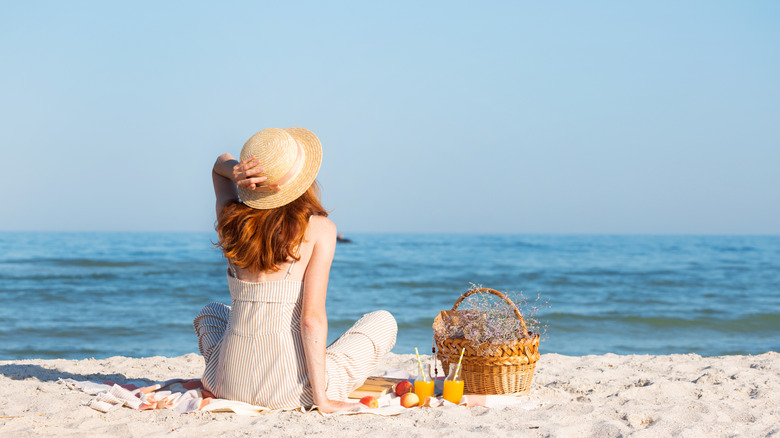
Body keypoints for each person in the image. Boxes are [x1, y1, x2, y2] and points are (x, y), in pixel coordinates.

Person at [193, 127, 397, 413]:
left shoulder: (231, 220)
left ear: (247, 180)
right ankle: (316, 382)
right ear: (303, 178)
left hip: (226, 384)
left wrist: (235, 170)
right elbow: (311, 320)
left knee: (211, 312)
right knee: (383, 322)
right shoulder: (320, 229)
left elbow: (219, 167)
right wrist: (321, 399)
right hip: (289, 391)